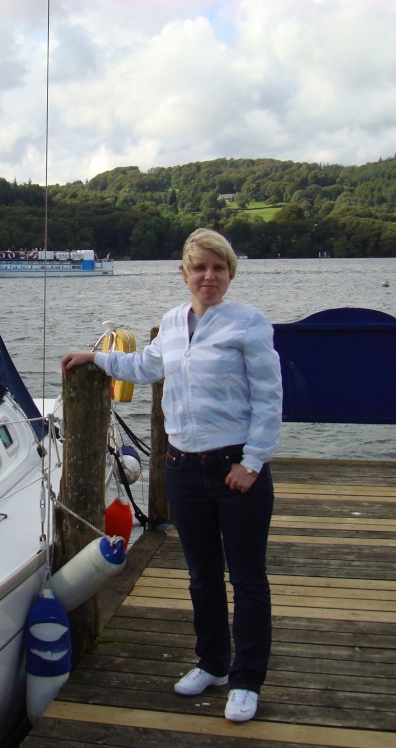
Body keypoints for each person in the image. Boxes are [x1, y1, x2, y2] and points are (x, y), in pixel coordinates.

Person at [60, 228, 282, 723]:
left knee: (246, 579)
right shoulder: (172, 323)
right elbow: (144, 365)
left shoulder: (249, 324)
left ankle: (247, 679)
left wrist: (253, 463)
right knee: (202, 576)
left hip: (235, 473)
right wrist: (96, 357)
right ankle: (213, 663)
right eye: (199, 268)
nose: (209, 276)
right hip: (183, 470)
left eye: (218, 268)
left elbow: (269, 399)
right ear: (184, 274)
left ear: (229, 273)